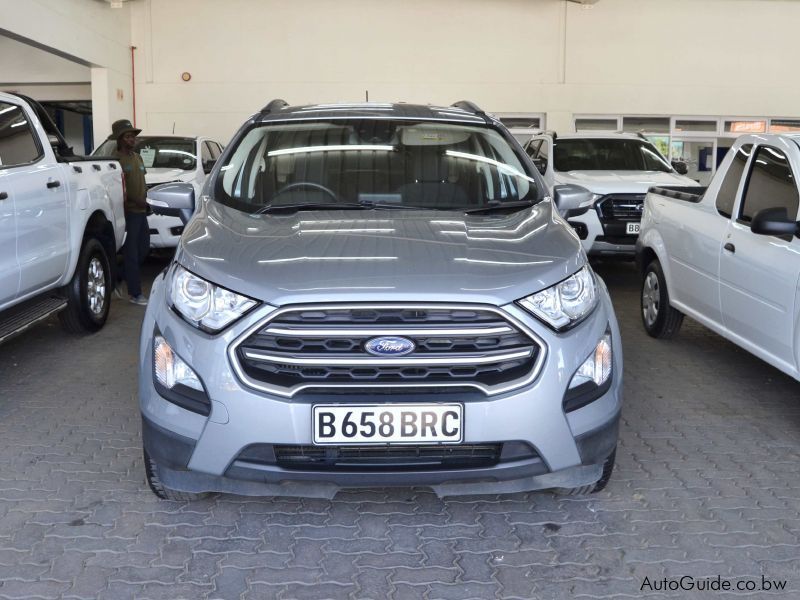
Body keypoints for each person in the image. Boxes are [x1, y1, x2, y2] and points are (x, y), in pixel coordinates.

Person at [110, 119, 149, 305]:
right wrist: (135, 200)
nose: (132, 139)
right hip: (128, 213)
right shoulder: (115, 161)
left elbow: (141, 181)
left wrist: (145, 200)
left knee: (144, 249)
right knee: (131, 254)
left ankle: (116, 276)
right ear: (119, 139)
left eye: (133, 136)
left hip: (141, 211)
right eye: (127, 136)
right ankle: (135, 294)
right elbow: (118, 189)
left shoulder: (137, 158)